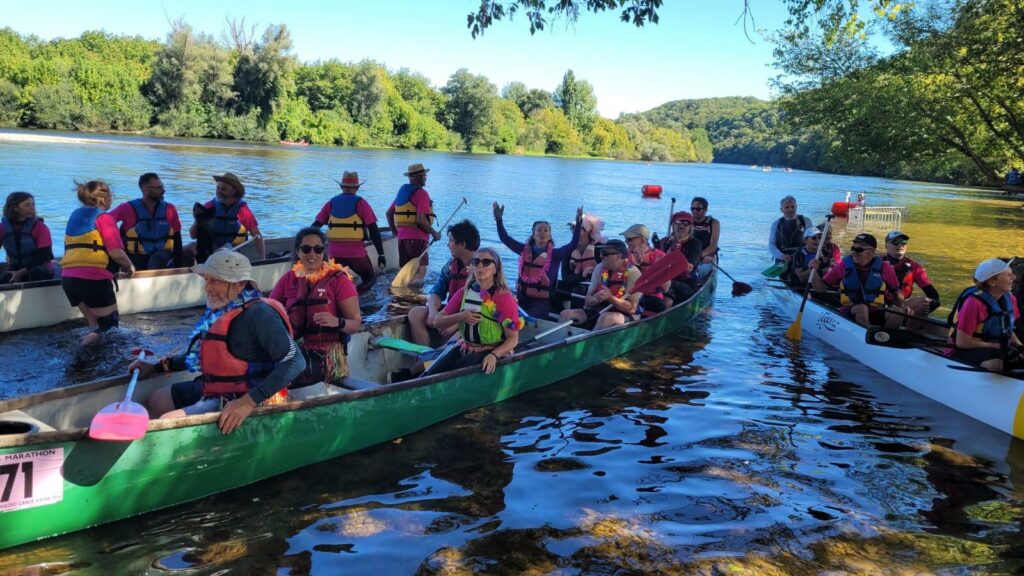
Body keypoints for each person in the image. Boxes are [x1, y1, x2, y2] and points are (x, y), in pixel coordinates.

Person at [138, 251, 305, 433]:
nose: (207, 288)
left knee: (166, 421)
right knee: (156, 399)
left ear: (239, 285)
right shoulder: (222, 308)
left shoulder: (259, 314)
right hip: (216, 389)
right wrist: (156, 367)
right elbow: (201, 356)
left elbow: (295, 361)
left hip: (247, 396)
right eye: (206, 280)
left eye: (215, 281)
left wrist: (246, 403)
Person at [270, 227, 362, 387]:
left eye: (318, 249)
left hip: (326, 353)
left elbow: (355, 324)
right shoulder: (288, 279)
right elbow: (269, 311)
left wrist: (337, 322)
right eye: (306, 249)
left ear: (323, 252)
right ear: (298, 252)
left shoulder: (339, 281)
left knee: (288, 375)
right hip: (294, 349)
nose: (312, 254)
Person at [60, 181, 135, 345]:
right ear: (103, 199)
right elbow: (116, 252)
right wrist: (129, 265)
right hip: (92, 280)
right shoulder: (105, 218)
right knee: (109, 327)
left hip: (69, 279)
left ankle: (84, 360)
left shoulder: (75, 215)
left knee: (93, 325)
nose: (111, 199)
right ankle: (81, 352)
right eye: (110, 196)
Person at [431, 247, 523, 374]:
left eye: (486, 262)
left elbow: (513, 339)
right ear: (472, 267)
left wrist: (494, 355)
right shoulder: (464, 292)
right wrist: (461, 317)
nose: (480, 265)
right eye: (476, 262)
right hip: (465, 346)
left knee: (459, 368)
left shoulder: (504, 297)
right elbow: (437, 321)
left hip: (493, 350)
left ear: (495, 269)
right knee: (432, 372)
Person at [493, 202, 582, 318]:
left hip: (541, 302)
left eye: (546, 231)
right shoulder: (523, 250)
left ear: (549, 236)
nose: (542, 233)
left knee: (525, 319)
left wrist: (578, 225)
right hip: (521, 297)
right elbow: (505, 239)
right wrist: (499, 220)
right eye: (539, 230)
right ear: (533, 235)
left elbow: (573, 244)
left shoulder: (556, 254)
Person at [407, 219, 479, 346]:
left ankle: (434, 361)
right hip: (450, 313)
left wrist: (456, 324)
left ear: (462, 244)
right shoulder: (451, 265)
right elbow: (437, 291)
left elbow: (486, 308)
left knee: (452, 335)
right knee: (415, 314)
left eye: (451, 241)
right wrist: (433, 312)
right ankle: (425, 354)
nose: (448, 245)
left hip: (472, 319)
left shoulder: (482, 267)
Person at [312, 171, 386, 293]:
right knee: (370, 278)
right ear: (357, 187)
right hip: (355, 253)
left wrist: (309, 249)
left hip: (333, 253)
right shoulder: (361, 203)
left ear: (341, 186)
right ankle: (353, 296)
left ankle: (332, 298)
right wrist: (381, 254)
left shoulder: (331, 203)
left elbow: (315, 227)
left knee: (330, 281)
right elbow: (373, 230)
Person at [811, 233, 904, 327]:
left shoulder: (885, 267)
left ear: (871, 251)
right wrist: (813, 270)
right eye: (853, 249)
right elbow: (821, 289)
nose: (854, 252)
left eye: (859, 250)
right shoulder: (844, 265)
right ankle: (868, 336)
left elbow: (896, 292)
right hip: (850, 311)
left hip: (875, 310)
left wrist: (903, 308)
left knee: (897, 313)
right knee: (861, 308)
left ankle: (885, 337)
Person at [945, 258, 1022, 372]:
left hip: (996, 347)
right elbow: (962, 342)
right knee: (995, 362)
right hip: (962, 350)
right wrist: (996, 346)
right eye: (1009, 275)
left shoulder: (1011, 299)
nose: (1014, 278)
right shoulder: (974, 303)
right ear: (993, 282)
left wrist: (1020, 346)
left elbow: (1008, 328)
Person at [559, 239, 641, 330]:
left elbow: (632, 308)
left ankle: (589, 343)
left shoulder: (633, 273)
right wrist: (596, 298)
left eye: (605, 253)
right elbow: (587, 301)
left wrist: (611, 298)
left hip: (625, 316)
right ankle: (560, 343)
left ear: (619, 256)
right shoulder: (599, 268)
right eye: (601, 252)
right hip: (599, 311)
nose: (601, 256)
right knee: (565, 314)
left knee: (606, 318)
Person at [109, 172, 183, 271]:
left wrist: (179, 267)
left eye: (162, 187)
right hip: (135, 258)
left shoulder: (169, 209)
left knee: (156, 259)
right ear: (145, 189)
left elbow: (177, 237)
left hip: (162, 258)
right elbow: (104, 222)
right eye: (158, 188)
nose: (163, 191)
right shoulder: (126, 208)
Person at [186, 172, 265, 263]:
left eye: (223, 189)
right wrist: (198, 219)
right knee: (187, 249)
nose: (219, 191)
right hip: (211, 249)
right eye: (217, 188)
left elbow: (257, 235)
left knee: (222, 252)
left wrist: (263, 259)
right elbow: (193, 235)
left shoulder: (242, 210)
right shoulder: (210, 206)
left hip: (232, 251)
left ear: (234, 191)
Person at [386, 163, 440, 283]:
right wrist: (434, 233)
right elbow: (421, 220)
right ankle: (415, 296)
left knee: (405, 271)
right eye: (424, 175)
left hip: (403, 239)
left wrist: (396, 233)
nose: (426, 178)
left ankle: (402, 296)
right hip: (418, 238)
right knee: (421, 272)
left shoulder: (402, 193)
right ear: (419, 177)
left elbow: (389, 213)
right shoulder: (421, 193)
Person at [882, 231, 941, 327]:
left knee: (925, 301)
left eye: (903, 242)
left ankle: (910, 325)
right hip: (880, 306)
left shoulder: (914, 267)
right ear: (886, 246)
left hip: (903, 306)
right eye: (895, 242)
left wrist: (919, 312)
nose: (900, 245)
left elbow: (934, 296)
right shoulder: (877, 263)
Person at [0, 192, 59, 284]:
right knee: (6, 278)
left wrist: (22, 271)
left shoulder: (40, 227)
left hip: (40, 266)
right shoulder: (3, 227)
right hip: (16, 266)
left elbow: (45, 256)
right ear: (15, 208)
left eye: (32, 204)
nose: (33, 208)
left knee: (35, 273)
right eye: (27, 205)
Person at [557, 212, 604, 308]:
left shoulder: (599, 249)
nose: (574, 230)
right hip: (575, 282)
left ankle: (576, 318)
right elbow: (565, 277)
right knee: (554, 287)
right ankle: (557, 315)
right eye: (572, 228)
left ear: (589, 231)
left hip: (593, 286)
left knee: (579, 290)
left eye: (578, 228)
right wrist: (582, 276)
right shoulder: (568, 250)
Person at [622, 224, 669, 316]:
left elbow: (665, 288)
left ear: (642, 240)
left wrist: (644, 266)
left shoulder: (660, 257)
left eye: (629, 239)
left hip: (650, 296)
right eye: (626, 239)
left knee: (656, 304)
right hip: (626, 294)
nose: (626, 241)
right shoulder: (623, 255)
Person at [659, 211, 701, 306]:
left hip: (686, 283)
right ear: (673, 225)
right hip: (663, 279)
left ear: (690, 227)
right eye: (678, 223)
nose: (682, 226)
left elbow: (689, 267)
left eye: (686, 224)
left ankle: (664, 314)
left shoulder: (695, 244)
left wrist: (672, 257)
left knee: (667, 286)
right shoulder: (664, 242)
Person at [768, 195, 813, 265]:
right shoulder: (776, 224)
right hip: (782, 258)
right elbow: (771, 244)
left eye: (792, 207)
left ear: (796, 207)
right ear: (781, 209)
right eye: (787, 207)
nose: (790, 209)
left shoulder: (806, 221)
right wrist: (781, 256)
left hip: (801, 256)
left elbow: (811, 240)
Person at [690, 196, 720, 262]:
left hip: (707, 255)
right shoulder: (688, 222)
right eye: (692, 209)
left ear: (705, 210)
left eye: (698, 209)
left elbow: (713, 246)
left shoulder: (714, 223)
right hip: (691, 254)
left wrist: (698, 256)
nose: (694, 211)